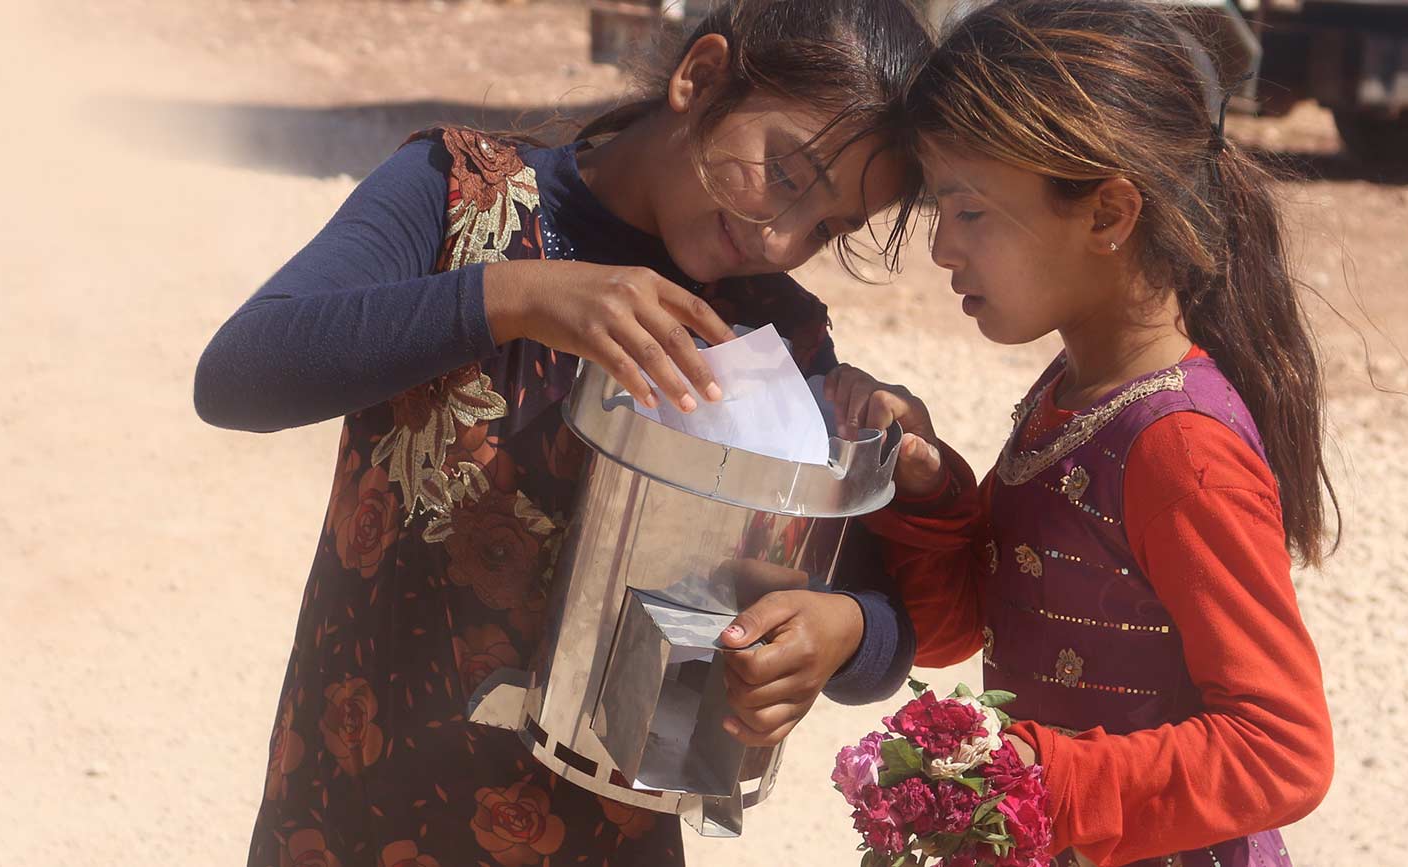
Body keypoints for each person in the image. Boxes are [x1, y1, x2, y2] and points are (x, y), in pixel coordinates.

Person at [193, 2, 930, 864]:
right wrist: (516, 296)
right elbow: (238, 375)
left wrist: (837, 629)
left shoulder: (766, 343)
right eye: (786, 174)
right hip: (351, 809)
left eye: (830, 228)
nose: (781, 237)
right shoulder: (459, 196)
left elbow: (875, 618)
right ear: (699, 77)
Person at [830, 2, 1336, 864]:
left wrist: (1036, 777)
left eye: (971, 213)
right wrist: (929, 494)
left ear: (1107, 214)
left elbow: (1284, 750)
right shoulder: (1073, 394)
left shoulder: (1178, 445)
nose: (944, 249)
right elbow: (961, 632)